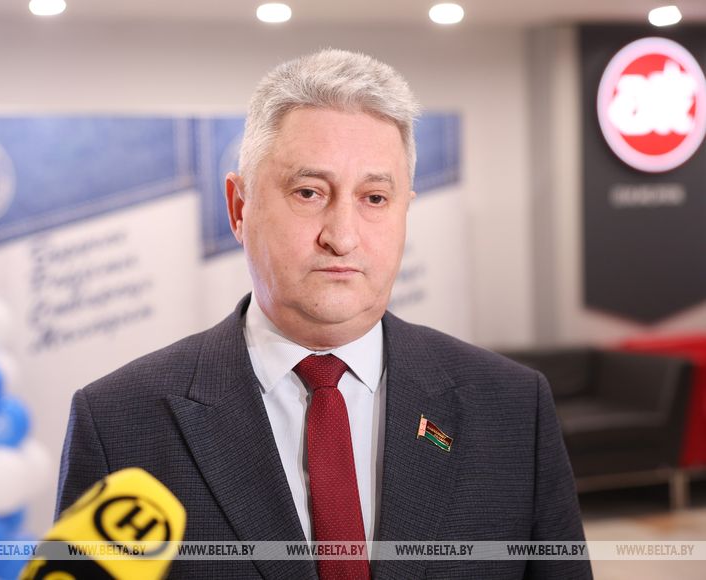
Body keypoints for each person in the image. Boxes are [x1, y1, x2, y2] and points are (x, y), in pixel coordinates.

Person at [56, 49, 592, 579]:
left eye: (374, 198)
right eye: (309, 192)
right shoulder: (118, 422)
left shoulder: (514, 408)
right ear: (239, 208)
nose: (342, 236)